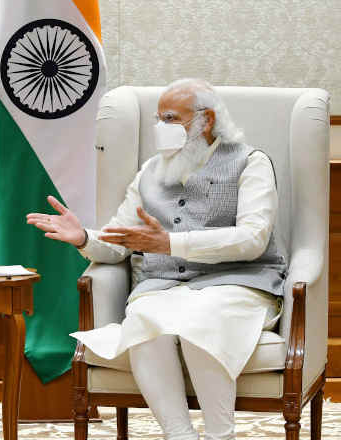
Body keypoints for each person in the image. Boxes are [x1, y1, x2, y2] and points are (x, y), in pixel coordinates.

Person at [27, 78, 285, 440]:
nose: (161, 128)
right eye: (158, 119)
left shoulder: (250, 163)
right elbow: (120, 240)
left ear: (205, 120)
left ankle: (220, 435)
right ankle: (179, 435)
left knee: (201, 320)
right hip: (164, 287)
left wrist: (172, 243)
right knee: (145, 322)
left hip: (238, 282)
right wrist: (85, 236)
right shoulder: (151, 171)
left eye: (170, 119)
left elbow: (252, 239)